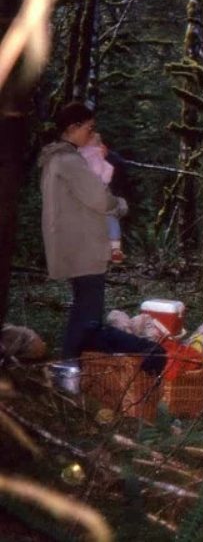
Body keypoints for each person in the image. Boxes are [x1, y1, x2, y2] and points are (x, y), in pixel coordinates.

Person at [39, 102, 129, 368]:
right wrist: (120, 205)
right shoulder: (68, 161)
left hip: (75, 245)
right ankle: (72, 368)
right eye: (88, 129)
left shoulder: (57, 159)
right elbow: (99, 199)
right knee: (88, 313)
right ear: (72, 128)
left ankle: (73, 366)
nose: (92, 134)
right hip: (83, 248)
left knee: (83, 309)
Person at [77, 130, 125, 263]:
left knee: (110, 216)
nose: (99, 144)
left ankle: (114, 249)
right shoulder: (81, 153)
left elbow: (111, 168)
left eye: (99, 141)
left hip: (100, 192)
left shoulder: (101, 154)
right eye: (96, 141)